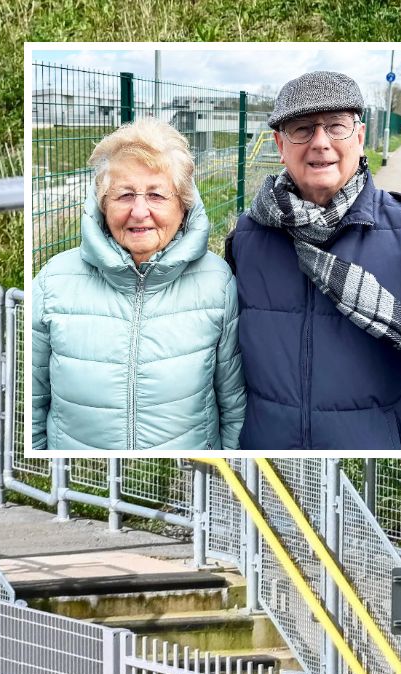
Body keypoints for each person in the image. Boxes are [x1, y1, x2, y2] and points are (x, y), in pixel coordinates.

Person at [226, 70, 401, 452]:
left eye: (336, 127)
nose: (320, 143)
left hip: (380, 464)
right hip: (267, 458)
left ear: (359, 135)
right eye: (302, 129)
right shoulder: (247, 237)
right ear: (279, 144)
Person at [31, 118, 244, 452]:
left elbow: (233, 406)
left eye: (157, 195)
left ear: (183, 206)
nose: (139, 211)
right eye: (124, 194)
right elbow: (30, 403)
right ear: (102, 204)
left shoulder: (217, 283)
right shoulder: (53, 281)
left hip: (190, 481)